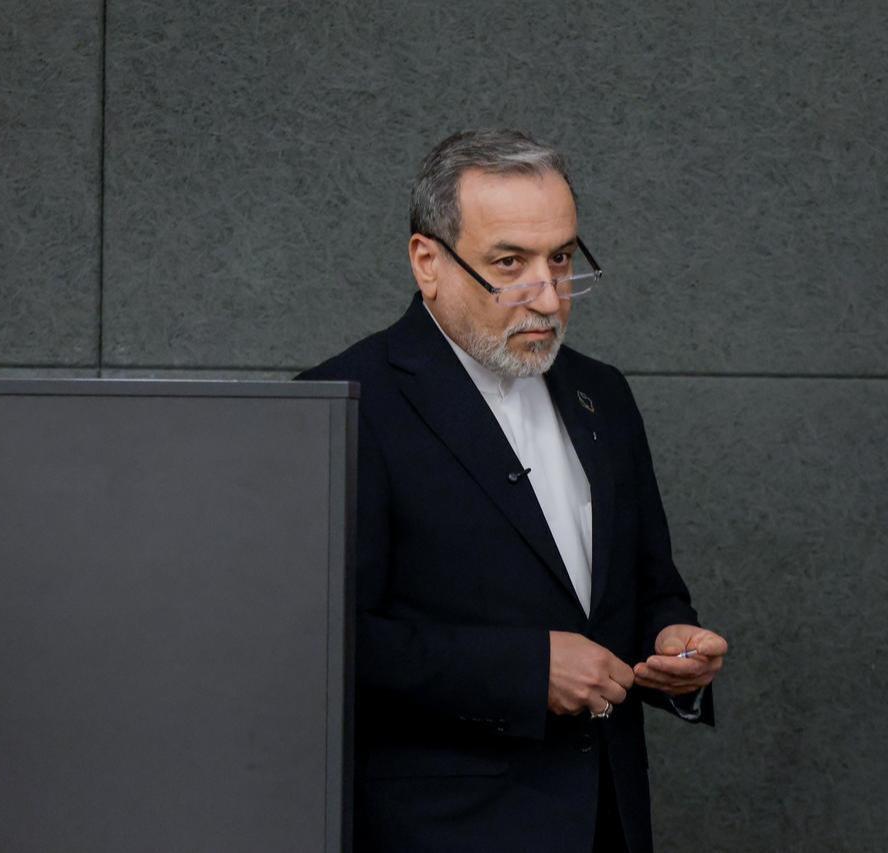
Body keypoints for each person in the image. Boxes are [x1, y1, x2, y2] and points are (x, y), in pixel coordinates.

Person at [297, 129, 726, 852]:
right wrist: (523, 670)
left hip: (608, 824)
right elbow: (320, 642)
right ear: (426, 261)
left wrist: (674, 650)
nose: (549, 295)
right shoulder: (347, 406)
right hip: (440, 830)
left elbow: (651, 587)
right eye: (510, 263)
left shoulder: (604, 395)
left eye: (561, 258)